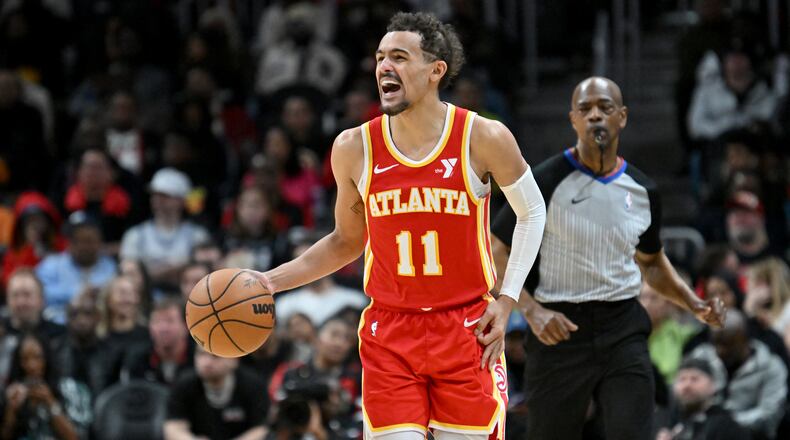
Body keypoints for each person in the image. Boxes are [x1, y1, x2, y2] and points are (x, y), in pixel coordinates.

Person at [251, 12, 546, 440]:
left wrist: (506, 300)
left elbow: (533, 211)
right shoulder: (354, 147)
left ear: (435, 71)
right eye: (380, 58)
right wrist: (268, 281)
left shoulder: (482, 136)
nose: (384, 67)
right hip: (390, 332)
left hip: (465, 329)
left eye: (399, 57)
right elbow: (344, 241)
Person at [490, 77, 726, 440]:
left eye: (605, 108)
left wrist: (693, 304)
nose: (595, 116)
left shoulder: (643, 189)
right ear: (572, 120)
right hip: (558, 327)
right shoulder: (544, 181)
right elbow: (495, 249)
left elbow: (651, 262)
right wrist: (532, 311)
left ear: (623, 117)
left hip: (623, 326)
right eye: (585, 110)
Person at [687, 310, 787, 439]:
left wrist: (725, 423)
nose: (720, 350)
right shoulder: (701, 357)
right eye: (716, 343)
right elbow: (682, 398)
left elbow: (770, 414)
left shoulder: (771, 367)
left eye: (727, 344)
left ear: (744, 340)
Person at [164, 346, 269, 440]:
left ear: (234, 359)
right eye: (201, 354)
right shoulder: (184, 384)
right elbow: (173, 426)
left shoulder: (253, 384)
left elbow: (261, 429)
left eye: (215, 356)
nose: (206, 362)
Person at [656, 358, 751, 440]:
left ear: (712, 386)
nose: (687, 385)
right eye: (682, 379)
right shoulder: (670, 424)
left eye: (695, 379)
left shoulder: (726, 426)